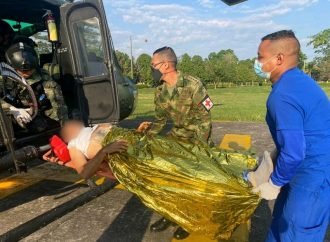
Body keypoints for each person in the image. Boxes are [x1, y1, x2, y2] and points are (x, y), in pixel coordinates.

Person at [43, 120, 273, 240]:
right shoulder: (75, 145)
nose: (70, 125)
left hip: (143, 144)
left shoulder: (90, 128)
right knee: (185, 171)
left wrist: (139, 131)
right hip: (134, 158)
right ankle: (245, 180)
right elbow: (84, 172)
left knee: (192, 154)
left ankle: (245, 166)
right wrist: (105, 151)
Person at [252, 30, 330, 242]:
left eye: (260, 56)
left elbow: (295, 152)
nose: (257, 62)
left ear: (279, 58)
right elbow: (297, 139)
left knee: (295, 233)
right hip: (303, 171)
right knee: (279, 227)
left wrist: (274, 183)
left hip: (312, 178)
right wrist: (271, 163)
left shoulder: (283, 94)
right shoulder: (298, 82)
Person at [137, 46, 213, 239]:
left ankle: (188, 221)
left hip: (195, 141)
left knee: (189, 186)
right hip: (175, 139)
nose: (151, 68)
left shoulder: (193, 84)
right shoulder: (160, 90)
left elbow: (205, 120)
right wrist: (146, 136)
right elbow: (161, 120)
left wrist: (198, 150)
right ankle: (169, 215)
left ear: (166, 65)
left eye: (153, 65)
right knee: (168, 182)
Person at [3, 41, 68, 132]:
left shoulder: (43, 76)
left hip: (36, 115)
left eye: (30, 70)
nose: (27, 73)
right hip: (11, 120)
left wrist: (65, 126)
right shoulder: (4, 79)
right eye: (22, 71)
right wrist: (12, 110)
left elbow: (58, 104)